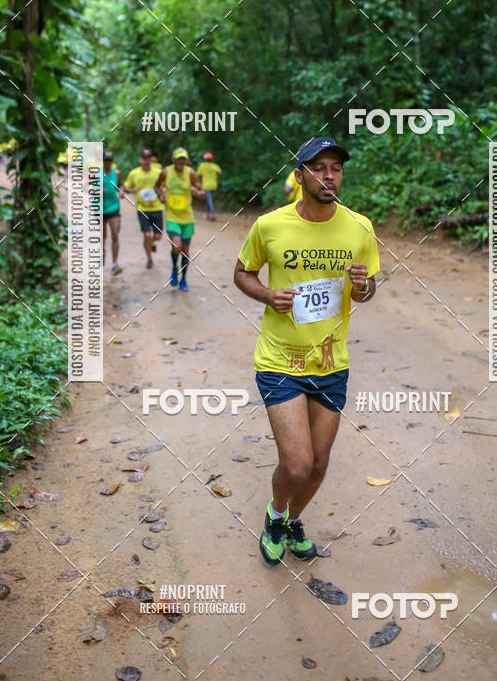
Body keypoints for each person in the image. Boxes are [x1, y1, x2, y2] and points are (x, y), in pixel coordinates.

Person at [234, 136, 379, 565]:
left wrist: (361, 285)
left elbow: (369, 290)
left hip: (332, 363)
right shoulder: (269, 225)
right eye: (319, 167)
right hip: (280, 360)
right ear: (299, 176)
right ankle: (276, 516)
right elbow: (242, 273)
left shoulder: (360, 227)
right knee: (297, 464)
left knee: (318, 465)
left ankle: (293, 519)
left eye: (335, 167)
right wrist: (267, 294)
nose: (329, 175)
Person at [156, 147, 203, 291]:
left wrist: (197, 192)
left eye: (183, 159)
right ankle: (174, 268)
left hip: (187, 218)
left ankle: (183, 279)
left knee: (186, 251)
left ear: (186, 160)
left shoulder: (191, 173)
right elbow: (156, 186)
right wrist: (161, 195)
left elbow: (202, 190)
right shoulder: (166, 172)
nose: (181, 161)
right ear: (173, 160)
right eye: (178, 159)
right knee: (177, 246)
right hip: (172, 216)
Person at [124, 148, 164, 269]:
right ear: (140, 159)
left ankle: (152, 243)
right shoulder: (134, 173)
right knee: (147, 235)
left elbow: (164, 186)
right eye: (144, 158)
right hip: (142, 208)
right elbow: (125, 187)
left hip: (157, 207)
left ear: (151, 159)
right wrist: (132, 190)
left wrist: (163, 194)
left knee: (158, 236)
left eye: (148, 158)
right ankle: (149, 259)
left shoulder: (158, 172)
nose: (146, 161)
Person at [102, 150, 123, 275]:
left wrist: (121, 192)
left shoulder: (117, 173)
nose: (108, 162)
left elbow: (120, 186)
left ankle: (115, 264)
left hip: (114, 208)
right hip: (99, 209)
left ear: (112, 161)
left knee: (115, 235)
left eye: (110, 160)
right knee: (102, 237)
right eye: (105, 160)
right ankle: (102, 252)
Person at [196, 152, 222, 221]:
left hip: (206, 185)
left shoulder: (202, 165)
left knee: (209, 199)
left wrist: (198, 183)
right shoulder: (214, 166)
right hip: (213, 185)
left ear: (205, 159)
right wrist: (216, 178)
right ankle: (208, 214)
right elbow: (220, 172)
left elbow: (198, 175)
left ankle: (213, 214)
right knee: (209, 199)